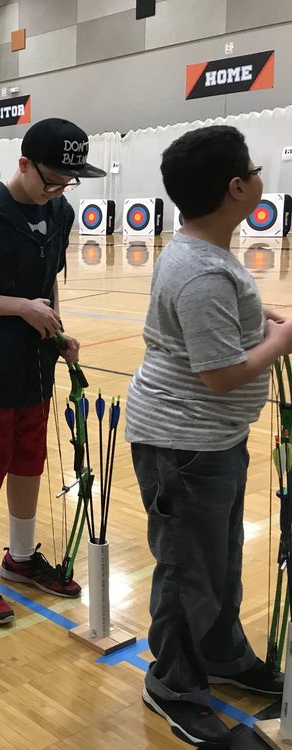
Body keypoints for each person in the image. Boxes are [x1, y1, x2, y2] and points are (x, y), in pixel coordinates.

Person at [127, 125, 292, 746]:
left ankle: (220, 653)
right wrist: (282, 340)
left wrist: (260, 319)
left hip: (210, 441)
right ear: (235, 189)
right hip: (184, 445)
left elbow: (218, 333)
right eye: (251, 171)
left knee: (217, 561)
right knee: (189, 569)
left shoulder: (208, 255)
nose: (258, 178)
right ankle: (171, 681)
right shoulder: (199, 271)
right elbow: (221, 374)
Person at [0, 118, 105, 625]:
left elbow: (47, 285)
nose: (56, 191)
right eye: (49, 180)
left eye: (65, 183)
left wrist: (56, 329)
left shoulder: (61, 211)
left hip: (36, 362)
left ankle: (21, 557)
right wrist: (20, 309)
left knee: (28, 460)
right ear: (23, 163)